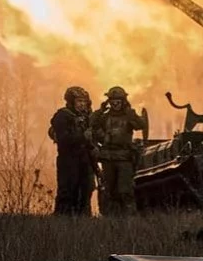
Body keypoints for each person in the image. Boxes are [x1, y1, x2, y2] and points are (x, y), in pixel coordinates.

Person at [90, 86, 147, 215]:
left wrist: (131, 113)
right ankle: (111, 219)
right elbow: (91, 123)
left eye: (118, 101)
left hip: (124, 159)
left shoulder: (128, 116)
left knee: (125, 191)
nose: (115, 104)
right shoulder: (104, 117)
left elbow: (141, 125)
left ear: (123, 101)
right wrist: (100, 111)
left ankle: (129, 220)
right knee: (109, 191)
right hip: (108, 158)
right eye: (113, 101)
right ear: (109, 102)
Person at [49, 86, 96, 216]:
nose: (82, 104)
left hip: (85, 159)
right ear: (71, 101)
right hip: (69, 160)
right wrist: (82, 137)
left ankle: (84, 220)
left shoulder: (88, 117)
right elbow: (63, 139)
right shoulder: (62, 116)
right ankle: (63, 220)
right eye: (79, 101)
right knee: (68, 191)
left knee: (87, 190)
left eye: (84, 101)